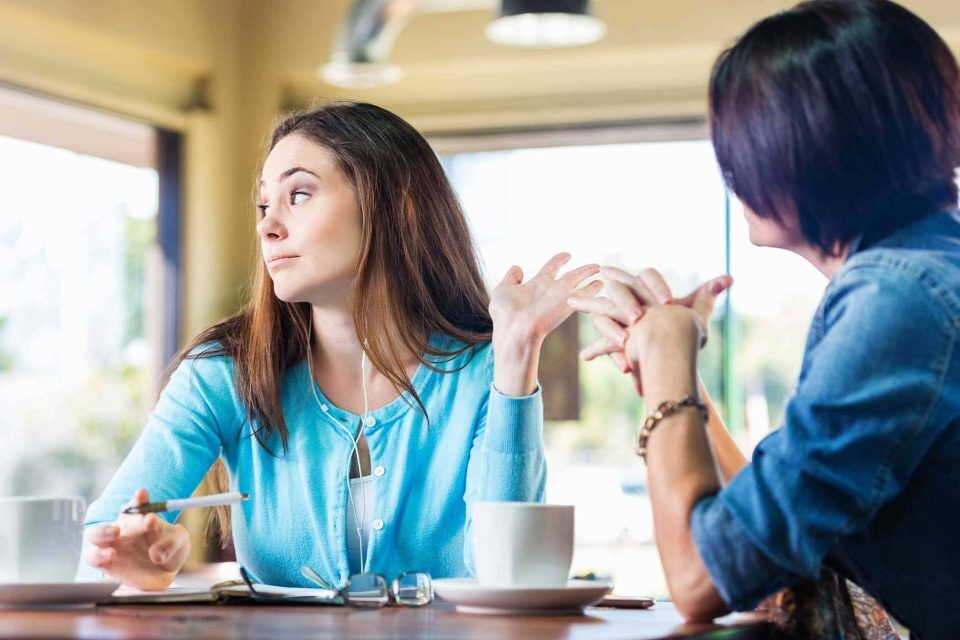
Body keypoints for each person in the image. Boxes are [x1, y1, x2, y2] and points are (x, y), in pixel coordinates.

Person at [81, 102, 601, 591]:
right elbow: (108, 529)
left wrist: (515, 359)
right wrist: (130, 551)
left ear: (397, 205)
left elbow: (508, 575)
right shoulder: (224, 372)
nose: (267, 225)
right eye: (263, 204)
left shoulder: (484, 375)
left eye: (299, 194)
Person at [569, 1, 960, 637]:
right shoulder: (923, 273)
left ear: (812, 145)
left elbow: (703, 579)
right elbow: (770, 524)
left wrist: (668, 360)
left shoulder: (895, 299)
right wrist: (678, 377)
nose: (732, 171)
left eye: (741, 142)